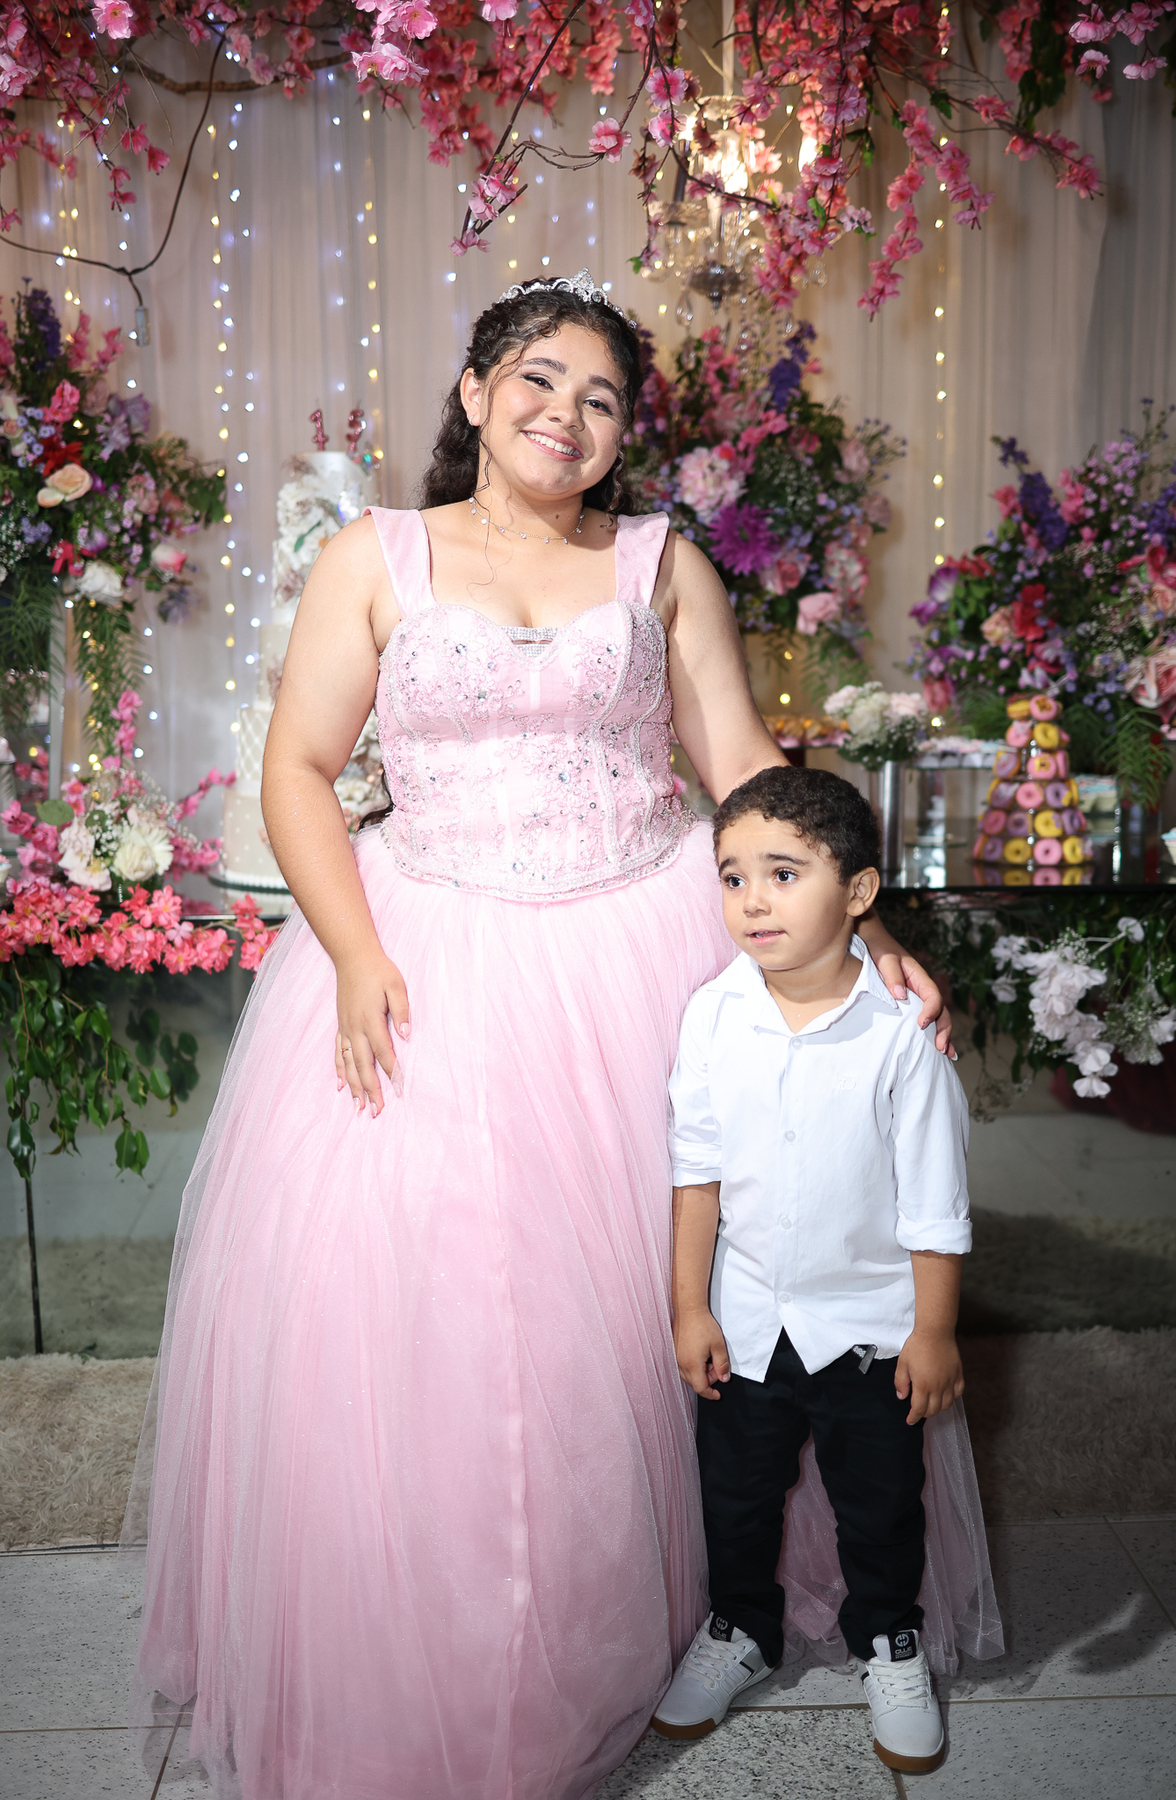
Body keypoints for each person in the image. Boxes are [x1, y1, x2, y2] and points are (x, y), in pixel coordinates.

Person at [126, 273, 964, 1800]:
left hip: (641, 948)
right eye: (537, 380)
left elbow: (740, 761)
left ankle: (697, 1605)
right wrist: (358, 952)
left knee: (675, 1299)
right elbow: (299, 769)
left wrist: (859, 921)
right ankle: (446, 1641)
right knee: (440, 1313)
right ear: (474, 392)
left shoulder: (661, 564)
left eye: (601, 399)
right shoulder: (373, 557)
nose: (566, 416)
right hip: (427, 946)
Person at [653, 764, 999, 1772]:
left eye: (783, 873)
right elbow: (696, 1175)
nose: (752, 901)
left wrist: (933, 1332)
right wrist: (689, 1308)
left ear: (857, 892)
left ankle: (887, 1640)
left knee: (879, 1504)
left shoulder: (902, 1034)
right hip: (749, 1322)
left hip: (869, 1330)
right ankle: (740, 1628)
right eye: (732, 877)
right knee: (737, 1497)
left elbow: (934, 1203)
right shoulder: (712, 1015)